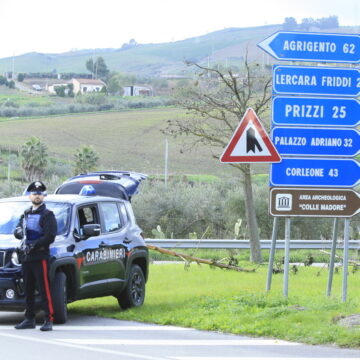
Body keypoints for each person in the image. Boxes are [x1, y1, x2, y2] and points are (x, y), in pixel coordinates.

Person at [13, 181, 57, 331]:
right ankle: (29, 318)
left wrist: (35, 244)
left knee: (44, 289)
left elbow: (50, 236)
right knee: (28, 289)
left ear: (43, 196)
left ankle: (48, 319)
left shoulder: (48, 215)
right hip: (26, 257)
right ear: (29, 195)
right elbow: (18, 230)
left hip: (40, 257)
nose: (36, 196)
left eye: (39, 193)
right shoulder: (26, 213)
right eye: (34, 193)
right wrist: (18, 232)